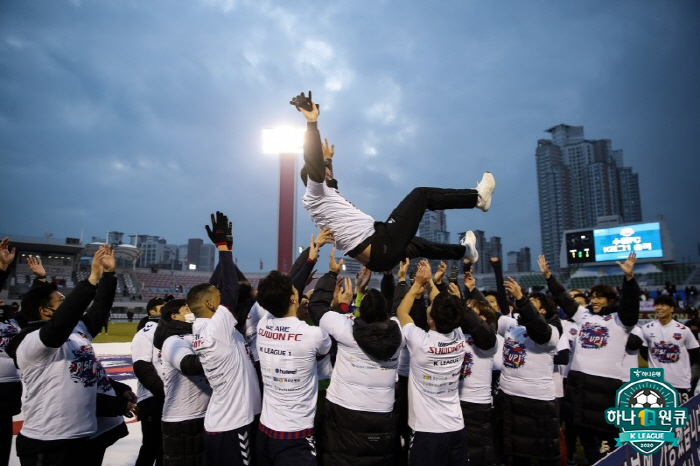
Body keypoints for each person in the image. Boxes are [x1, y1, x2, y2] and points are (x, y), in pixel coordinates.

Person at [291, 91, 495, 272]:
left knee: (419, 245)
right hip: (379, 245)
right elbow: (315, 166)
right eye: (324, 172)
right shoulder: (314, 192)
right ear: (312, 178)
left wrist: (328, 161)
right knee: (421, 195)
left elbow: (329, 182)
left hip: (378, 258)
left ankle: (465, 252)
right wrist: (312, 123)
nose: (329, 175)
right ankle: (477, 198)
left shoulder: (322, 201)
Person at [6, 246, 113, 466]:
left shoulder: (77, 330)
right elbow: (61, 323)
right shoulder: (32, 342)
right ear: (45, 311)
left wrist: (109, 277)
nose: (68, 305)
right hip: (47, 442)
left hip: (84, 438)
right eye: (61, 300)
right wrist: (92, 279)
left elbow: (99, 310)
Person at [539, 252, 640, 464]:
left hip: (606, 383)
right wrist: (548, 277)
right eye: (592, 296)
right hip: (579, 382)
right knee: (584, 435)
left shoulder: (621, 321)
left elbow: (631, 306)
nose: (594, 300)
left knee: (611, 434)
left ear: (611, 300)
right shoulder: (584, 316)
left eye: (599, 297)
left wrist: (629, 280)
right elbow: (564, 300)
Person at [310, 248, 404, 466]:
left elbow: (317, 307)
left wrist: (332, 274)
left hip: (344, 411)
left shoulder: (347, 329)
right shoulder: (399, 333)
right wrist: (390, 278)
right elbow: (395, 310)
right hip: (382, 413)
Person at [254, 237, 332, 466]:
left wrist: (310, 258)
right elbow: (326, 350)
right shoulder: (313, 334)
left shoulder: (262, 324)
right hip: (296, 435)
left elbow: (284, 291)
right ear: (293, 297)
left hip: (265, 430)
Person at [193, 212, 261, 466]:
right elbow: (232, 289)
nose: (223, 297)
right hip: (234, 426)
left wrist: (223, 254)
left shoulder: (202, 326)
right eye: (217, 298)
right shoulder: (216, 330)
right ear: (211, 304)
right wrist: (224, 248)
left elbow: (214, 288)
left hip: (222, 422)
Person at [396, 261, 468, 466]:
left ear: (431, 320)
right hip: (455, 426)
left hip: (426, 431)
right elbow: (446, 307)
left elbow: (402, 312)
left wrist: (417, 283)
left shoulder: (421, 342)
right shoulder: (459, 337)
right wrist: (429, 284)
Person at [498, 277, 562, 466]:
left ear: (542, 311)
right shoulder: (512, 326)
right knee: (517, 455)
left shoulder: (552, 331)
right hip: (509, 397)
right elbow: (486, 315)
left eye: (531, 304)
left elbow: (538, 330)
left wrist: (521, 298)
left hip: (538, 402)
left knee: (545, 456)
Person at [154, 299, 212, 466]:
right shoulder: (172, 341)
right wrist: (220, 356)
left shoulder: (194, 335)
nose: (191, 311)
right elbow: (188, 365)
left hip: (203, 415)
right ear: (175, 316)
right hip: (183, 420)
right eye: (186, 309)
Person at [636, 295, 700, 404]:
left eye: (663, 305)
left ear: (672, 309)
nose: (659, 308)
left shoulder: (684, 330)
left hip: (680, 382)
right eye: (657, 305)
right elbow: (643, 351)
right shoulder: (646, 329)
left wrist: (681, 367)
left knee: (680, 417)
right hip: (656, 383)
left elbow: (694, 352)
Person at [132, 297, 167, 466]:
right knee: (151, 447)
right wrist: (164, 393)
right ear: (152, 311)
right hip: (153, 399)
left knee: (165, 448)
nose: (167, 308)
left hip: (167, 398)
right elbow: (142, 369)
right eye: (163, 306)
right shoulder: (145, 334)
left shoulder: (166, 330)